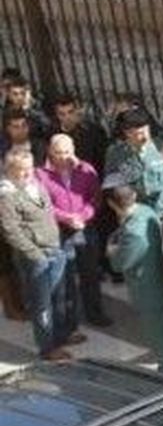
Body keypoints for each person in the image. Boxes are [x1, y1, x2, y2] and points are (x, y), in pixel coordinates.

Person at [0, 149, 77, 360]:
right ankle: (47, 347)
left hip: (55, 249)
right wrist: (35, 254)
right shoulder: (7, 196)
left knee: (58, 298)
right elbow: (11, 231)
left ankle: (60, 336)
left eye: (28, 168)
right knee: (42, 304)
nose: (26, 173)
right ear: (9, 170)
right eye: (20, 170)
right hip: (36, 256)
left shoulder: (36, 186)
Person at [105, 184, 163, 376]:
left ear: (112, 205)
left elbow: (120, 263)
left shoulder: (133, 232)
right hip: (158, 279)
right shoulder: (145, 211)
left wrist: (112, 251)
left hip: (148, 287)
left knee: (161, 334)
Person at [36, 133, 110, 328]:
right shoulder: (40, 174)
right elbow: (43, 205)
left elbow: (96, 198)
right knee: (65, 278)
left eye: (67, 152)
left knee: (90, 274)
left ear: (74, 150)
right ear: (50, 152)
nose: (63, 157)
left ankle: (95, 313)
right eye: (58, 152)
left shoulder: (86, 169)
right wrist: (66, 218)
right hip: (58, 230)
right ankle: (69, 321)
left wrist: (83, 216)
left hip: (85, 228)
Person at [105, 107, 163, 215]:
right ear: (128, 134)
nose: (145, 137)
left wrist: (159, 212)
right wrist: (125, 210)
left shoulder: (160, 147)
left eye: (146, 131)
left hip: (162, 211)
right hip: (133, 212)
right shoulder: (116, 154)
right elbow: (112, 186)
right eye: (139, 133)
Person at [48, 95, 108, 173]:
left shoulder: (93, 131)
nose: (67, 117)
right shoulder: (52, 133)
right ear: (57, 115)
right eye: (62, 114)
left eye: (71, 112)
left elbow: (102, 160)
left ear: (77, 110)